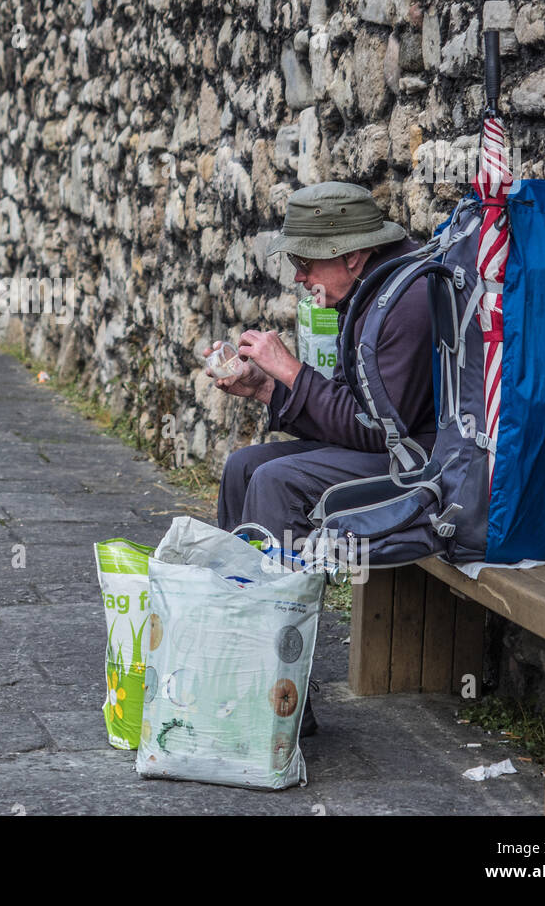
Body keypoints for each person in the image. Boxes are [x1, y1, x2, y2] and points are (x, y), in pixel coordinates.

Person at [206, 182, 437, 735]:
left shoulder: (405, 304)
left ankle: (280, 694)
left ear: (352, 256)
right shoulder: (373, 289)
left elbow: (377, 430)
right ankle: (239, 656)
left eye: (307, 264)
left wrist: (290, 372)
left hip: (425, 466)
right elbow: (353, 412)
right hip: (393, 445)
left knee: (278, 483)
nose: (299, 278)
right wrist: (267, 389)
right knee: (245, 467)